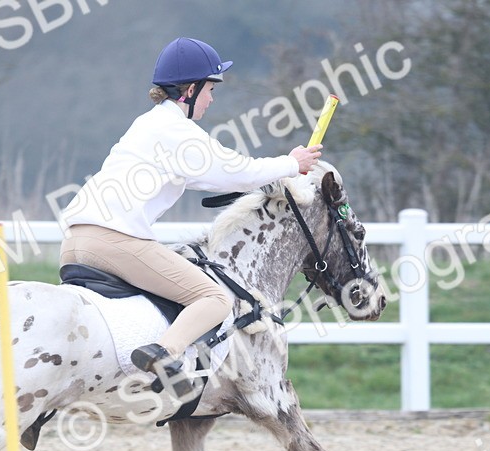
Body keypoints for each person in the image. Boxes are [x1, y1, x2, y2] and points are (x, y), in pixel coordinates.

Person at [60, 37, 322, 396]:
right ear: (188, 90)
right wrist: (292, 164)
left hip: (74, 243)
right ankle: (164, 356)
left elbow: (213, 177)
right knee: (215, 299)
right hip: (114, 241)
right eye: (210, 89)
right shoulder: (178, 132)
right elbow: (235, 170)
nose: (212, 98)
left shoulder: (148, 125)